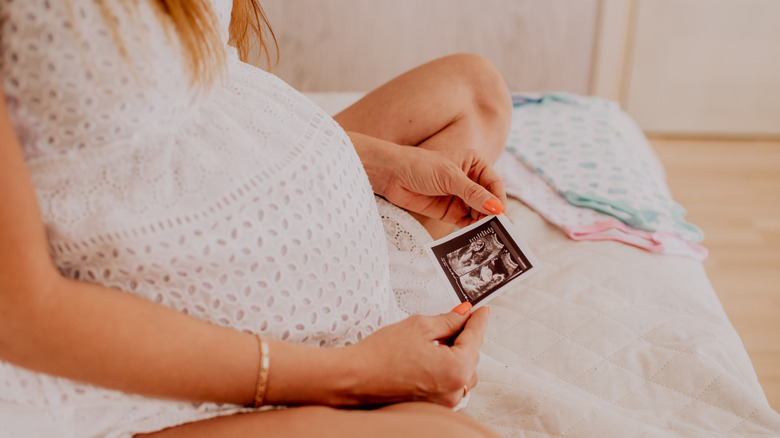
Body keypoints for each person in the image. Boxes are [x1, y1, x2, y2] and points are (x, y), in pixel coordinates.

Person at [0, 1, 512, 437]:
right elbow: (21, 316)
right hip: (134, 354)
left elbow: (184, 92)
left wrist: (365, 162)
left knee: (472, 90)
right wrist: (352, 374)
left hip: (190, 217)